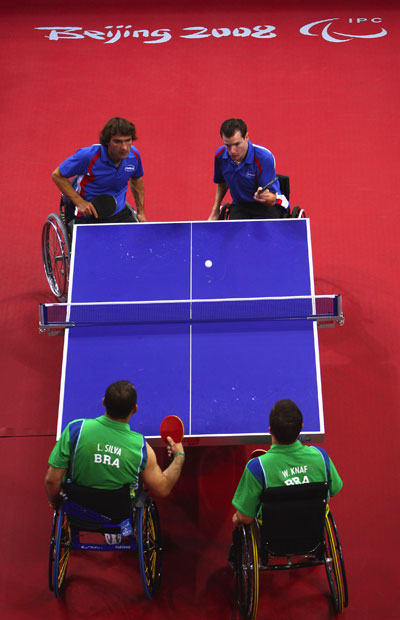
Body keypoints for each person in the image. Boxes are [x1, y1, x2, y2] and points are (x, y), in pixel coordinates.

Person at [45, 380, 185, 515]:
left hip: (78, 508)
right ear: (135, 409)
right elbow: (162, 489)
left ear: (104, 401)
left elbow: (52, 480)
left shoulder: (75, 430)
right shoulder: (140, 448)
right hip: (117, 511)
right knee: (140, 476)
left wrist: (55, 500)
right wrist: (179, 457)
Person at [232, 399, 342, 525]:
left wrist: (237, 517)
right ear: (301, 427)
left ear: (270, 430)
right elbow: (335, 489)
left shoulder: (257, 468)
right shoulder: (321, 458)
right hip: (312, 539)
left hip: (274, 541)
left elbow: (246, 518)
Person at [52, 117, 146, 223]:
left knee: (138, 238)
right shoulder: (88, 156)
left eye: (128, 140)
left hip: (119, 213)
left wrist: (141, 212)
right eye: (117, 142)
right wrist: (79, 202)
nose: (124, 147)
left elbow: (137, 180)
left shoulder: (134, 155)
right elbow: (57, 175)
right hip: (88, 216)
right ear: (107, 142)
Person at [208, 118, 288, 221]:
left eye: (237, 144)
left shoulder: (263, 158)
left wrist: (265, 197)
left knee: (262, 234)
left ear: (246, 137)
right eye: (227, 145)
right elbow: (222, 182)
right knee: (233, 235)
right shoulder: (220, 155)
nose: (232, 151)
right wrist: (215, 210)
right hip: (241, 205)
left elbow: (272, 200)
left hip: (267, 207)